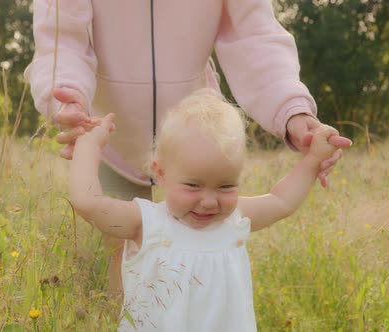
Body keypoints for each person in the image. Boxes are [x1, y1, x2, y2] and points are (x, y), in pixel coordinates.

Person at [25, 0, 352, 303]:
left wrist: (293, 111)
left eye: (226, 189)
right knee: (118, 261)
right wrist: (71, 103)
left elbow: (254, 33)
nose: (211, 200)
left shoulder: (214, 201)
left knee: (203, 252)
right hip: (107, 131)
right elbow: (61, 41)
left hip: (198, 133)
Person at [69, 90, 345, 331]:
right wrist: (89, 145)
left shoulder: (234, 219)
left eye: (226, 186)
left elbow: (281, 200)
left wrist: (313, 160)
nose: (210, 201)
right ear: (161, 174)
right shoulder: (147, 223)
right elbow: (88, 202)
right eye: (192, 186)